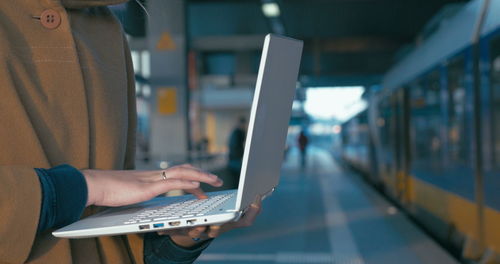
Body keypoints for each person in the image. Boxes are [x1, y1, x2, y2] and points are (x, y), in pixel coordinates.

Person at [0, 1, 261, 263]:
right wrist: (85, 187)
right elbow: (98, 191)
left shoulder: (105, 29)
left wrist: (179, 239)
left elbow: (115, 244)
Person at [227, 117, 247, 188]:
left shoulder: (236, 132)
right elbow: (235, 146)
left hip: (233, 160)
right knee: (238, 181)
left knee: (236, 181)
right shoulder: (238, 132)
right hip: (236, 160)